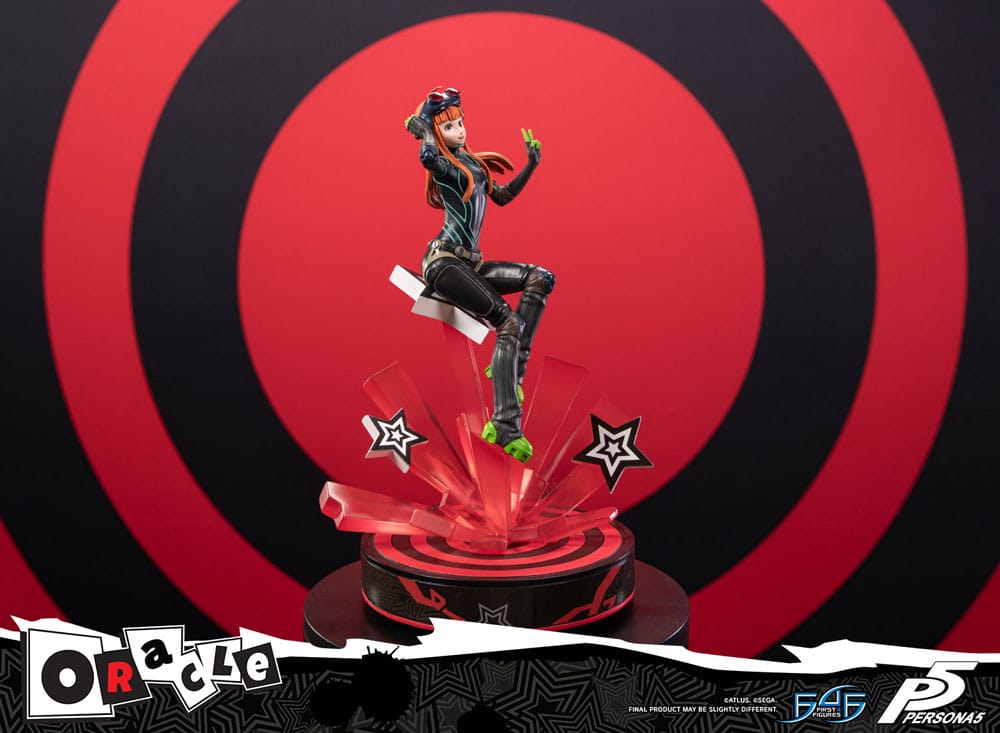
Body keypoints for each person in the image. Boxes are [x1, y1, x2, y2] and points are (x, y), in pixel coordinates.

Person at [404, 87, 554, 463]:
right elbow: (427, 157)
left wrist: (531, 165)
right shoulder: (445, 167)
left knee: (540, 278)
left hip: (469, 264)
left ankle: (512, 370)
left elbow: (502, 196)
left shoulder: (473, 165)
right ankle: (505, 425)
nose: (460, 130)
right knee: (508, 322)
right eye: (449, 126)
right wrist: (423, 129)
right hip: (444, 263)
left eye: (460, 122)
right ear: (437, 133)